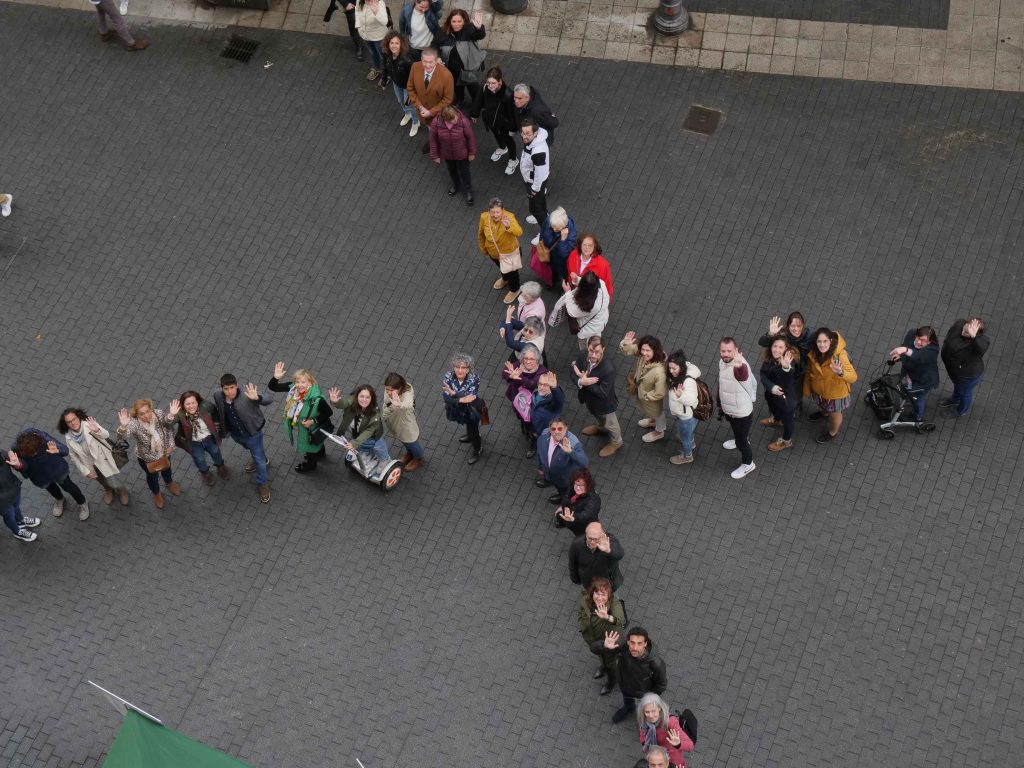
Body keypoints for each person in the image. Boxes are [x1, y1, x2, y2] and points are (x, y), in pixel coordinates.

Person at [213, 374, 273, 504]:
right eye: (226, 389)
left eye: (232, 388)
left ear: (237, 385)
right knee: (252, 450)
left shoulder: (247, 392)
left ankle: (263, 483)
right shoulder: (218, 395)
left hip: (253, 433)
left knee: (259, 461)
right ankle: (262, 458)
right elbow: (220, 411)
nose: (229, 392)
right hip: (236, 434)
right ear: (221, 388)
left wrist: (257, 398)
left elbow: (269, 399)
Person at [8, 429, 91, 521]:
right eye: (31, 454)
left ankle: (82, 502)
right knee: (51, 489)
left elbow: (65, 450)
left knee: (69, 487)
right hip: (39, 476)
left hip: (57, 470)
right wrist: (19, 466)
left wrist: (57, 451)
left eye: (36, 451)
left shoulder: (43, 437)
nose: (34, 454)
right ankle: (60, 499)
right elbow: (24, 467)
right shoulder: (16, 448)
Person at [268, 363, 333, 473]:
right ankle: (320, 454)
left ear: (310, 383)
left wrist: (312, 421)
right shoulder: (293, 389)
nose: (299, 385)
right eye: (297, 382)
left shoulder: (317, 399)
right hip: (309, 428)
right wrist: (276, 378)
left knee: (310, 447)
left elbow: (328, 412)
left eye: (303, 382)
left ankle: (311, 465)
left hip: (311, 429)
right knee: (318, 441)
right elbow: (273, 387)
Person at [58, 408, 130, 507]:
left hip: (103, 459)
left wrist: (96, 430)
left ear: (78, 417)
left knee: (112, 479)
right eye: (69, 422)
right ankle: (108, 489)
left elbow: (106, 435)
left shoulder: (88, 425)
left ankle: (122, 490)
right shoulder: (68, 437)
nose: (73, 423)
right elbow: (73, 456)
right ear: (66, 424)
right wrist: (85, 471)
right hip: (90, 465)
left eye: (74, 419)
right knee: (101, 480)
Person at [596, 626, 667, 724]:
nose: (635, 647)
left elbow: (661, 685)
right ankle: (628, 708)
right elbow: (593, 648)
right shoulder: (625, 647)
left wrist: (649, 697)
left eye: (639, 643)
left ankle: (647, 722)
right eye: (632, 643)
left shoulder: (656, 663)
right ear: (628, 642)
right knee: (628, 700)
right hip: (625, 685)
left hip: (643, 692)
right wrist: (604, 645)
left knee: (647, 712)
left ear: (645, 644)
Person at [116, 400, 179, 509]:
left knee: (167, 468)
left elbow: (168, 428)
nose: (146, 415)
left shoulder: (158, 413)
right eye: (142, 414)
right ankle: (157, 493)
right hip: (147, 458)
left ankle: (169, 482)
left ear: (151, 409)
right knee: (152, 477)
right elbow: (122, 437)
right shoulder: (134, 424)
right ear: (137, 415)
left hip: (164, 452)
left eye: (147, 411)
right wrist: (123, 427)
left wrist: (171, 445)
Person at [803, 328, 857, 444]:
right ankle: (824, 413)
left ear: (831, 341)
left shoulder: (840, 356)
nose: (822, 345)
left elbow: (853, 377)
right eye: (819, 342)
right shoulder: (814, 353)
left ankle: (833, 432)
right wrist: (807, 387)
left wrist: (841, 372)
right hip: (820, 391)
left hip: (835, 395)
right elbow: (809, 371)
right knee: (823, 406)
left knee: (835, 414)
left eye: (825, 341)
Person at [573, 336, 623, 458]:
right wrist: (580, 381)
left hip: (605, 405)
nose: (593, 355)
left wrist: (586, 382)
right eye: (591, 351)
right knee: (596, 415)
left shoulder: (609, 369)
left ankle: (617, 442)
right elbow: (573, 373)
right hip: (590, 401)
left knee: (611, 424)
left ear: (603, 350)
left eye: (597, 352)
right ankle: (601, 427)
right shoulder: (583, 355)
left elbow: (603, 393)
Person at [576, 576, 625, 696]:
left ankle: (611, 681)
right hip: (593, 639)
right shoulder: (585, 600)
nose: (599, 597)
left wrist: (607, 617)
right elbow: (580, 613)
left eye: (603, 595)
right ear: (592, 593)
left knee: (611, 663)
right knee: (600, 656)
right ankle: (603, 667)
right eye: (597, 593)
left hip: (610, 641)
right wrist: (581, 626)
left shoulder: (614, 603)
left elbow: (621, 620)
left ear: (609, 596)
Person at [167, 391, 228, 487]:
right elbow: (167, 425)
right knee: (199, 459)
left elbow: (215, 411)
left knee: (216, 451)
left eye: (193, 403)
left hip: (209, 438)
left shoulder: (205, 406)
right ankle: (205, 473)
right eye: (187, 404)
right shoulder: (180, 414)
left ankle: (220, 466)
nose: (191, 406)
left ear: (198, 402)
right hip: (193, 442)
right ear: (183, 405)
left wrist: (216, 425)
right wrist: (171, 415)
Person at [758, 311, 813, 416]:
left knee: (796, 390)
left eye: (799, 326)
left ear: (803, 326)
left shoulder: (809, 336)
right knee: (781, 388)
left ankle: (797, 404)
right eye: (793, 326)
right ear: (788, 326)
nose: (796, 329)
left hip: (800, 370)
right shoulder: (782, 334)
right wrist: (770, 334)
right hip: (781, 368)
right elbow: (762, 343)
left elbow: (823, 341)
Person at [718, 337, 757, 478]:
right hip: (730, 409)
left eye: (729, 351)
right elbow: (722, 384)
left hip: (741, 413)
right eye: (723, 351)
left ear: (736, 350)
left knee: (742, 442)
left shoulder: (740, 366)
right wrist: (720, 403)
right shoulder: (722, 362)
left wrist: (740, 365)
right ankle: (740, 438)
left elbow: (743, 375)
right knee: (738, 433)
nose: (726, 354)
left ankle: (748, 464)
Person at [619, 332, 668, 443]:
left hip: (650, 396)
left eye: (648, 351)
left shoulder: (659, 372)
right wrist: (625, 344)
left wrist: (646, 396)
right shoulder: (644, 353)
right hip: (644, 392)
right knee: (652, 411)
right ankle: (653, 420)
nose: (644, 353)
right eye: (643, 350)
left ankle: (659, 431)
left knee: (657, 412)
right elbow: (630, 350)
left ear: (655, 351)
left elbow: (660, 392)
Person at [470, 66, 520, 176]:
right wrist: (474, 114)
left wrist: (513, 128)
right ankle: (502, 148)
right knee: (497, 135)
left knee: (509, 140)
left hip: (504, 124)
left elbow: (512, 114)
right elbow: (478, 100)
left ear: (500, 81)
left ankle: (513, 160)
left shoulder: (508, 95)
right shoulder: (484, 87)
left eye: (493, 83)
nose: (490, 86)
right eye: (488, 82)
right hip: (491, 120)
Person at [502, 344, 547, 456]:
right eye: (526, 358)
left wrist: (519, 376)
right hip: (518, 401)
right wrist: (511, 376)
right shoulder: (519, 365)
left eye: (531, 359)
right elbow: (505, 373)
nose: (527, 361)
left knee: (532, 424)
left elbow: (531, 384)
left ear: (537, 360)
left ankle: (533, 441)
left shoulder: (542, 371)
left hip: (534, 404)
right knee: (521, 417)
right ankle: (525, 426)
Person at [407, 47, 454, 153]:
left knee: (440, 130)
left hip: (439, 114)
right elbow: (410, 88)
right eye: (425, 61)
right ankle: (433, 140)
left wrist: (431, 112)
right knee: (430, 128)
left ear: (436, 60)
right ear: (421, 59)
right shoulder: (415, 67)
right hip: (422, 112)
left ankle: (437, 143)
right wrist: (420, 106)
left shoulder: (446, 75)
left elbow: (448, 99)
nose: (427, 65)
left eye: (431, 62)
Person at [889, 326, 940, 422]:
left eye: (923, 341)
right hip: (910, 375)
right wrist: (900, 355)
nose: (919, 342)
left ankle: (918, 417)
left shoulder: (933, 350)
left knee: (920, 399)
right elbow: (905, 345)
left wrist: (905, 350)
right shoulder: (911, 333)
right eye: (918, 338)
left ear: (930, 342)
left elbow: (918, 356)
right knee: (909, 390)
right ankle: (910, 398)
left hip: (924, 381)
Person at [328, 385, 391, 465]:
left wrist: (354, 443)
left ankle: (385, 460)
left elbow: (369, 431)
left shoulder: (374, 413)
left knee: (378, 447)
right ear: (357, 396)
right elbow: (343, 403)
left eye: (367, 397)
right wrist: (335, 402)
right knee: (362, 445)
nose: (364, 400)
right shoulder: (352, 400)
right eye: (361, 396)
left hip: (374, 435)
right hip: (357, 432)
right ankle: (367, 453)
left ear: (372, 399)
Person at [940, 317, 990, 416]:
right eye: (965, 328)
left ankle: (961, 411)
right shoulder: (960, 324)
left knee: (965, 393)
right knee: (958, 387)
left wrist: (973, 337)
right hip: (955, 371)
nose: (963, 332)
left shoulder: (978, 344)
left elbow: (981, 347)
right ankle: (955, 399)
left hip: (967, 376)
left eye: (968, 333)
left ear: (977, 334)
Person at [477, 197, 523, 303]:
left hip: (509, 253)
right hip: (494, 253)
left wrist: (508, 226)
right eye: (492, 212)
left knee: (513, 274)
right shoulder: (484, 217)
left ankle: (515, 289)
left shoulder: (509, 217)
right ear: (489, 211)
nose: (495, 215)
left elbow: (519, 232)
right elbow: (480, 235)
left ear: (502, 210)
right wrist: (483, 249)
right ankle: (505, 279)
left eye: (497, 212)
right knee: (502, 268)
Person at [760, 338, 802, 452]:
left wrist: (785, 368)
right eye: (775, 346)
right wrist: (771, 387)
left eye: (780, 347)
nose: (776, 350)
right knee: (773, 408)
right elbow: (762, 374)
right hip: (772, 395)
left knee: (788, 421)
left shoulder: (789, 363)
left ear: (786, 349)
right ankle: (776, 419)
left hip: (786, 401)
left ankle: (786, 441)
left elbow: (785, 383)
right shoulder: (769, 359)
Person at [437, 9, 486, 105]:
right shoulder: (442, 33)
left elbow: (479, 35)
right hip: (452, 69)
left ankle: (478, 104)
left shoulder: (469, 29)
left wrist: (479, 28)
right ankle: (460, 99)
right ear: (449, 21)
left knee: (474, 89)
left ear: (464, 21)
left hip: (469, 68)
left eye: (459, 21)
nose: (456, 24)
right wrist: (437, 57)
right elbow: (434, 45)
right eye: (454, 21)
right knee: (457, 88)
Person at [429, 106, 476, 205]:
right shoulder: (436, 123)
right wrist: (435, 155)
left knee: (465, 173)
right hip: (447, 154)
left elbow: (471, 138)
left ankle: (468, 191)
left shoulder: (463, 121)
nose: (456, 120)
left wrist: (472, 153)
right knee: (452, 171)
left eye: (455, 117)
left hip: (462, 154)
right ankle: (456, 185)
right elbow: (432, 139)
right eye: (452, 119)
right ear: (445, 119)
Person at [442, 352, 483, 465]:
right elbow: (446, 398)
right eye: (457, 367)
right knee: (467, 427)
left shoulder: (474, 378)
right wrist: (460, 399)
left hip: (471, 410)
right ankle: (469, 436)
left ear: (468, 369)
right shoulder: (448, 376)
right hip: (457, 410)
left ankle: (477, 449)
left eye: (463, 367)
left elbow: (469, 398)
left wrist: (454, 394)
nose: (460, 370)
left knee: (474, 431)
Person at [552, 272, 610, 350]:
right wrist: (577, 280)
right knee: (596, 339)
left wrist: (568, 292)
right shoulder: (601, 284)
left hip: (587, 332)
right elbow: (589, 285)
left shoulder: (588, 306)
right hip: (600, 322)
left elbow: (571, 311)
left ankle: (585, 359)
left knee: (586, 350)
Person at [537, 417, 588, 504]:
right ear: (549, 429)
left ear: (566, 428)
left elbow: (584, 462)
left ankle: (563, 498)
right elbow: (540, 452)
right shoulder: (544, 436)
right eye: (553, 429)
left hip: (564, 478)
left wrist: (570, 452)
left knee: (564, 490)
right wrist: (541, 467)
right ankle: (548, 480)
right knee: (554, 481)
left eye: (560, 429)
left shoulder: (573, 443)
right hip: (549, 472)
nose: (556, 432)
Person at [636, 694, 695, 768]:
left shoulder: (670, 722)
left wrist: (678, 744)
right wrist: (645, 743)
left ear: (659, 708)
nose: (650, 715)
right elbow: (643, 733)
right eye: (647, 712)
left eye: (653, 711)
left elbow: (690, 746)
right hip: (655, 757)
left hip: (671, 759)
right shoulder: (645, 721)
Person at [380, 32, 420, 137]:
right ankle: (407, 114)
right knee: (400, 101)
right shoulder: (386, 53)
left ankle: (416, 122)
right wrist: (384, 80)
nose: (394, 45)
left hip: (409, 87)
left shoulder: (407, 60)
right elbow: (384, 66)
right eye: (391, 43)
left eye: (396, 43)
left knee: (410, 105)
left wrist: (413, 91)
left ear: (401, 44)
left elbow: (415, 76)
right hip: (396, 82)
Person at [383, 373, 424, 472]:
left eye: (391, 390)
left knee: (411, 442)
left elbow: (408, 403)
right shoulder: (391, 390)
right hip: (396, 422)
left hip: (405, 425)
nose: (388, 392)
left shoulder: (407, 394)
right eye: (387, 389)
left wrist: (400, 404)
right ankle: (410, 454)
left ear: (400, 388)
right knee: (405, 441)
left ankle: (418, 458)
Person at [666, 350, 701, 465]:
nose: (671, 371)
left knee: (684, 438)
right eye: (669, 368)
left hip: (686, 417)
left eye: (674, 368)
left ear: (681, 367)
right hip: (682, 414)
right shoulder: (677, 375)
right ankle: (691, 442)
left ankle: (687, 456)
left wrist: (681, 396)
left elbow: (691, 400)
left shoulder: (688, 382)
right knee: (686, 434)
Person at [569, 521, 624, 590]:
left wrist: (609, 551)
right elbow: (573, 563)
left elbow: (620, 554)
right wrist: (575, 579)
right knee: (590, 599)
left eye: (595, 539)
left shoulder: (609, 541)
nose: (592, 542)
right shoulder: (577, 544)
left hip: (608, 585)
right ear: (586, 534)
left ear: (602, 535)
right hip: (589, 584)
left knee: (613, 599)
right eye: (590, 538)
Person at [1, 457, 41, 542]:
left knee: (16, 507)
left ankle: (20, 521)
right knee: (9, 516)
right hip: (2, 501)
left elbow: (21, 467)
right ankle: (17, 531)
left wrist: (19, 465)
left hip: (14, 489)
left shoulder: (1, 453)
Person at [519, 118, 550, 225]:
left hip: (534, 183)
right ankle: (544, 215)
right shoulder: (532, 140)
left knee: (535, 208)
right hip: (534, 181)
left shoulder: (538, 152)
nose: (524, 136)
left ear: (535, 133)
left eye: (527, 133)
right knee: (540, 202)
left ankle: (544, 231)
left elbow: (539, 173)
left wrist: (534, 189)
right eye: (522, 132)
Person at [537, 207, 577, 287]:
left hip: (563, 263)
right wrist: (541, 242)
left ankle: (566, 288)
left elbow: (564, 254)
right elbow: (542, 231)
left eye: (557, 229)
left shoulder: (571, 233)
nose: (554, 229)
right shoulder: (550, 220)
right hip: (551, 257)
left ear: (564, 226)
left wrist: (563, 240)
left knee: (566, 276)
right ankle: (553, 280)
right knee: (552, 270)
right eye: (552, 226)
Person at [567, 233, 614, 300]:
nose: (587, 248)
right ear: (580, 245)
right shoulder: (573, 255)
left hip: (590, 299)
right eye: (584, 245)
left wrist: (606, 301)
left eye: (590, 245)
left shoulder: (603, 265)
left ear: (594, 247)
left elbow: (607, 285)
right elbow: (569, 272)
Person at [555, 466, 600, 534]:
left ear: (588, 485)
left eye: (582, 485)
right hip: (570, 515)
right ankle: (564, 523)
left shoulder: (593, 500)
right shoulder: (573, 486)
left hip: (583, 525)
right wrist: (562, 506)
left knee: (579, 534)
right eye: (576, 484)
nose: (577, 488)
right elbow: (567, 496)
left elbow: (585, 515)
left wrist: (573, 518)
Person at [354, 0, 390, 81]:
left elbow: (385, 22)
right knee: (373, 53)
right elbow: (357, 11)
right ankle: (376, 68)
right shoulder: (359, 1)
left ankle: (387, 75)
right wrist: (358, 26)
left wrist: (375, 11)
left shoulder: (380, 3)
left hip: (379, 37)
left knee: (383, 56)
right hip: (365, 35)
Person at [530, 371, 564, 454]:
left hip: (547, 430)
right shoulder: (535, 392)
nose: (541, 387)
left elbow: (559, 400)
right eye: (540, 384)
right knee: (534, 437)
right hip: (535, 425)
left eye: (545, 385)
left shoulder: (553, 402)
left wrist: (555, 388)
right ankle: (534, 447)